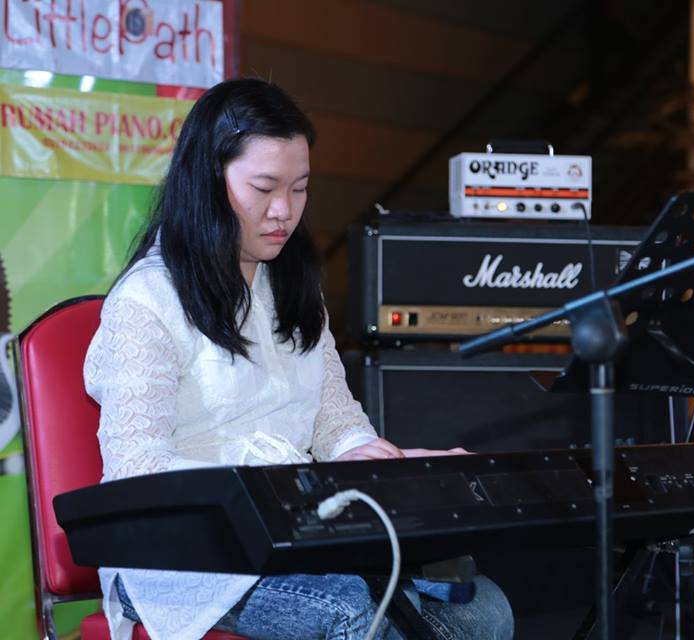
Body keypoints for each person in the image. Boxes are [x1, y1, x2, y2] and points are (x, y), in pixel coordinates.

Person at [83, 78, 513, 640]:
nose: (283, 210)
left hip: (291, 533)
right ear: (208, 180)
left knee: (486, 610)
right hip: (185, 559)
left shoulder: (291, 286)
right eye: (263, 188)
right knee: (356, 613)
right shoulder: (147, 300)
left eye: (300, 188)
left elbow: (335, 421)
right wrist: (297, 487)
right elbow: (136, 473)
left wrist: (371, 457)